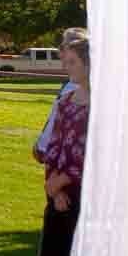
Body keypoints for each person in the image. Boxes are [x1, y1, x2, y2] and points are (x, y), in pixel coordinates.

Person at [35, 36, 90, 256]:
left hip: (86, 196)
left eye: (71, 62)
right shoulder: (66, 101)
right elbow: (54, 147)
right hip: (59, 196)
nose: (66, 68)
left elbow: (98, 153)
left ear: (88, 63)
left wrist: (66, 180)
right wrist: (53, 188)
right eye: (64, 61)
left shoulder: (106, 106)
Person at [32, 26, 88, 163]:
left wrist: (41, 147)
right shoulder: (70, 84)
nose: (61, 50)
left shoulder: (75, 88)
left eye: (64, 45)